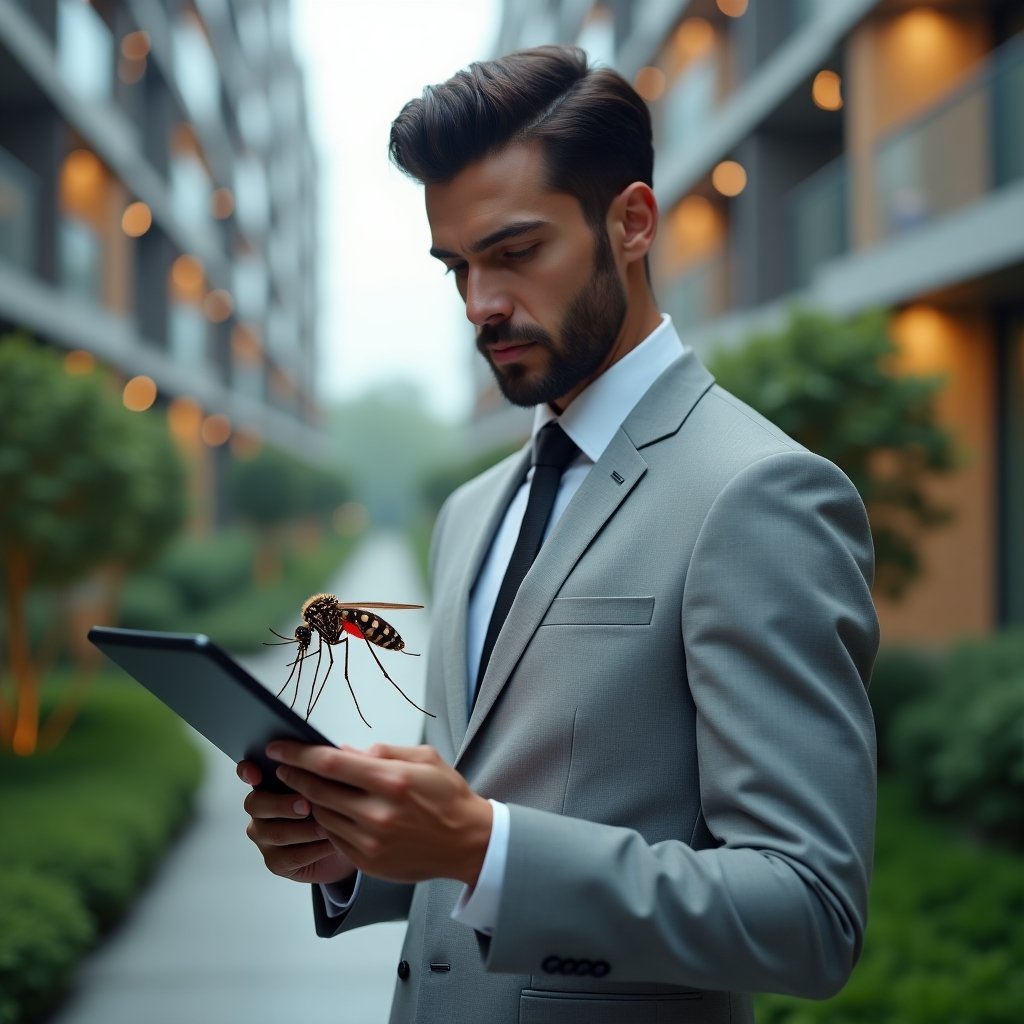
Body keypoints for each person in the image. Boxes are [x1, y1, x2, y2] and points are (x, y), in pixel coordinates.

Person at [238, 45, 878, 1024]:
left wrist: (480, 846)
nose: (479, 304)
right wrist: (354, 849)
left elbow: (808, 912)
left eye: (514, 252)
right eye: (456, 266)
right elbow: (468, 808)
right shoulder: (470, 510)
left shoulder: (759, 494)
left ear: (631, 222)